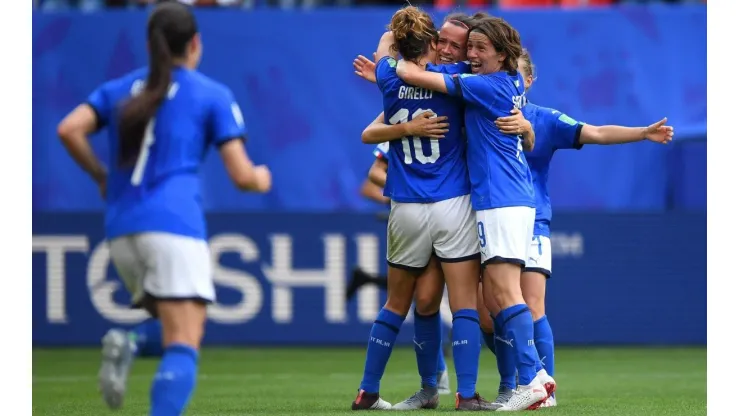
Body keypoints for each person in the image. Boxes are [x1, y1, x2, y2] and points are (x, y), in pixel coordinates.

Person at [56, 2, 271, 414]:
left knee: (184, 329)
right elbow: (242, 177)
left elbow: (69, 129)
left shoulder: (120, 88)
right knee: (185, 342)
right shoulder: (211, 93)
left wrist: (101, 177)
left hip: (121, 229)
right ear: (195, 43)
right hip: (173, 226)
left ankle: (131, 341)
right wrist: (262, 177)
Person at [478, 48, 674, 408]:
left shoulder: (545, 119)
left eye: (517, 73)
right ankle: (512, 385)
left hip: (532, 219)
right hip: (489, 215)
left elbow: (596, 131)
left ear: (529, 80)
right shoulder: (481, 111)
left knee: (532, 305)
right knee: (489, 316)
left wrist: (642, 133)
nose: (509, 79)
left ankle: (542, 388)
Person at [395, 16, 551, 411]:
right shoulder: (505, 81)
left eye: (482, 49)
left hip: (501, 199)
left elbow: (424, 79)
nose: (472, 55)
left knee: (503, 292)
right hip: (505, 197)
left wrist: (390, 63)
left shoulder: (488, 84)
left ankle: (533, 378)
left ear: (503, 54)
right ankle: (536, 377)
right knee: (500, 297)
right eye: (471, 48)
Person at [352, 6, 492, 411]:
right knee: (463, 303)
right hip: (451, 204)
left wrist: (393, 39)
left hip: (406, 206)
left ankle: (368, 391)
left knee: (398, 304)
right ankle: (465, 395)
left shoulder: (388, 78)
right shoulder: (456, 80)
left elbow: (382, 50)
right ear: (432, 43)